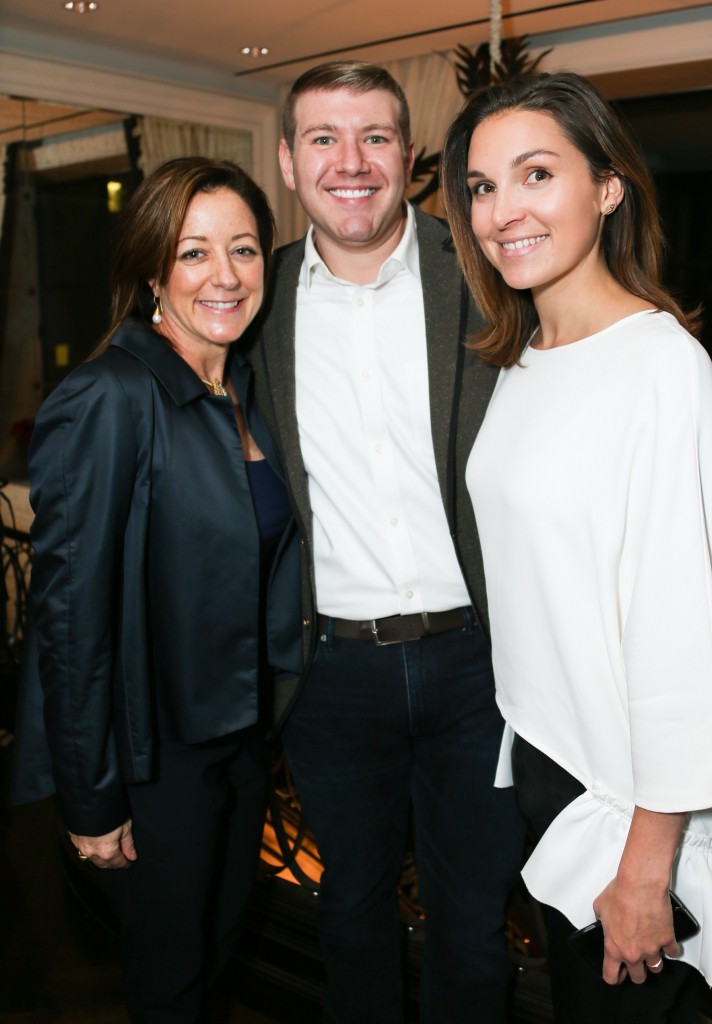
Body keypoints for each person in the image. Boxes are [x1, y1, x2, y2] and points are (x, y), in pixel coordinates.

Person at [440, 71, 712, 1023]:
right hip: (555, 771)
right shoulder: (522, 359)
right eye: (480, 187)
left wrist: (646, 867)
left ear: (608, 187)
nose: (502, 209)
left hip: (637, 807)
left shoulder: (662, 369)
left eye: (535, 173)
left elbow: (681, 638)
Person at [248, 61, 526, 1024]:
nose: (351, 161)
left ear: (408, 157)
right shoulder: (251, 299)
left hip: (479, 667)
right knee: (352, 919)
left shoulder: (488, 271)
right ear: (289, 161)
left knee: (472, 928)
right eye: (324, 138)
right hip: (331, 675)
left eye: (375, 137)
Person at [12, 156, 301, 1023]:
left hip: (240, 745)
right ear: (150, 272)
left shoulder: (241, 389)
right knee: (169, 982)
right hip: (153, 759)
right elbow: (67, 617)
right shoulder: (109, 395)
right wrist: (92, 797)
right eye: (194, 252)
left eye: (245, 250)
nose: (225, 275)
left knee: (211, 957)